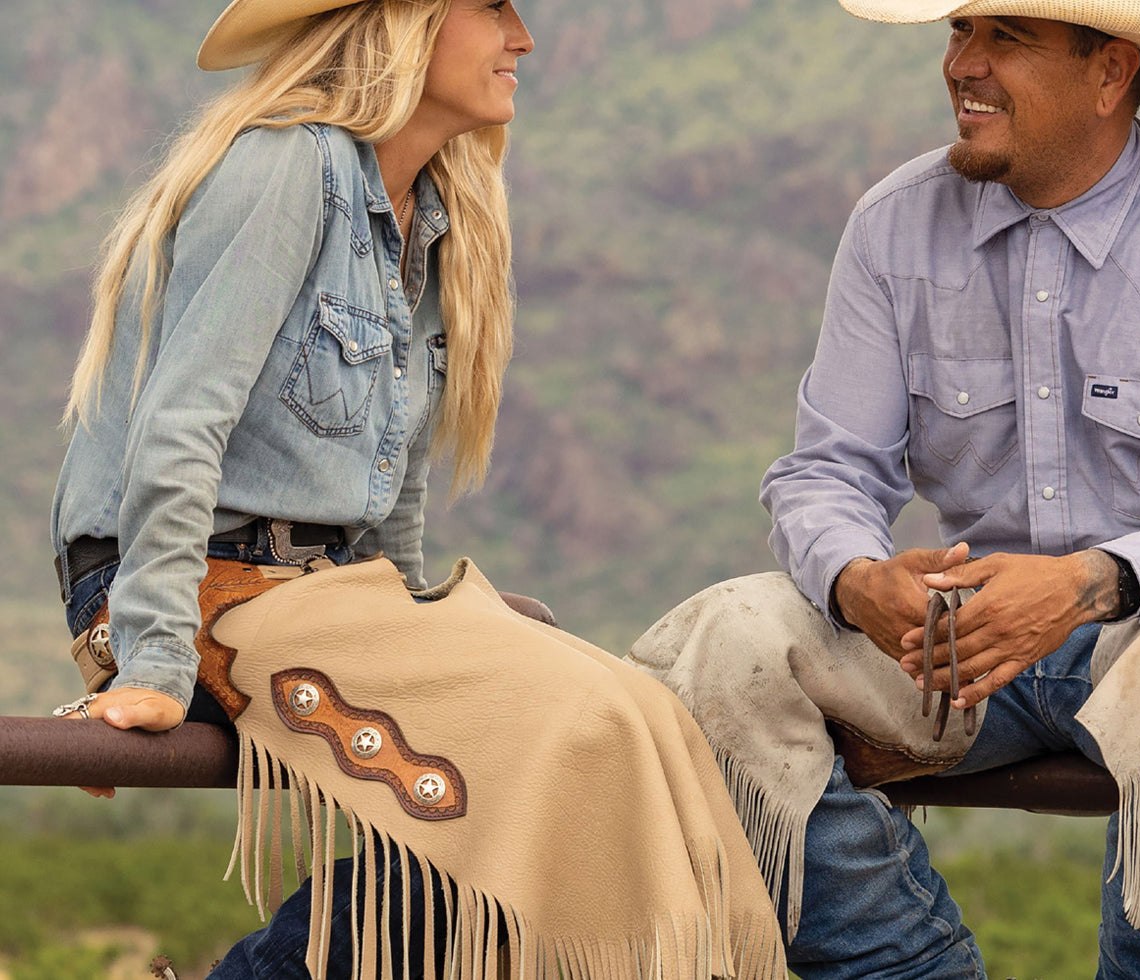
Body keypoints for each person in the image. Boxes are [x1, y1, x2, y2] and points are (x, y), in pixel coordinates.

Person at [50, 2, 786, 978]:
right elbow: (179, 425)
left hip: (321, 592)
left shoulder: (429, 215)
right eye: (492, 8)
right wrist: (146, 662)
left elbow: (384, 485)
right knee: (576, 723)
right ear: (403, 22)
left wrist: (423, 623)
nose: (522, 39)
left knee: (642, 713)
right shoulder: (287, 167)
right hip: (192, 586)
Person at [626, 1, 1140, 978]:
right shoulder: (894, 224)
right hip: (967, 644)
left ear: (1108, 73)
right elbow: (828, 467)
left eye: (1002, 38)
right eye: (957, 32)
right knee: (722, 641)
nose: (959, 64)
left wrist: (1083, 585)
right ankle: (904, 965)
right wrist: (854, 579)